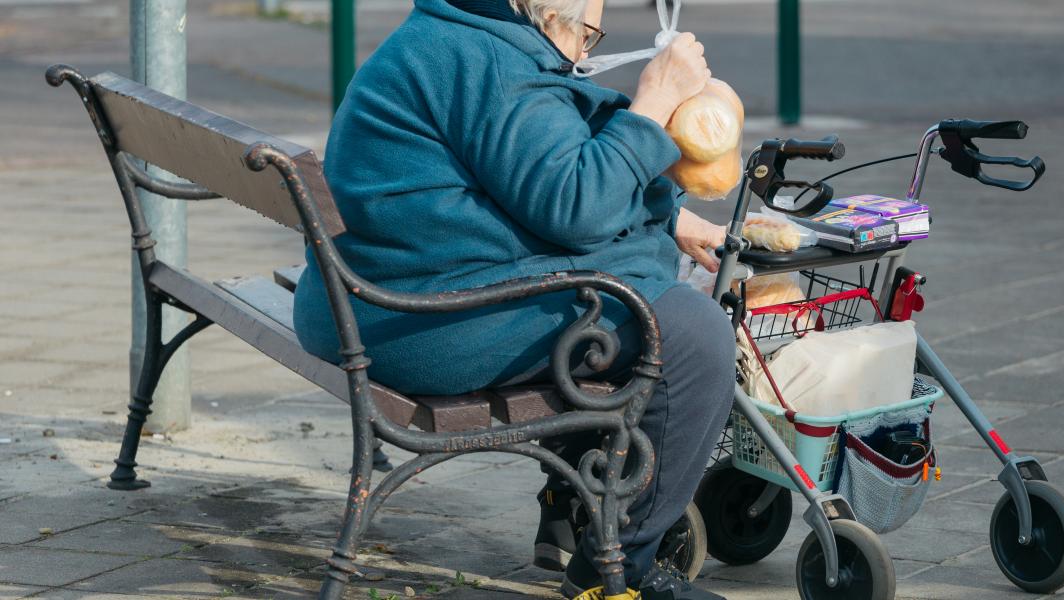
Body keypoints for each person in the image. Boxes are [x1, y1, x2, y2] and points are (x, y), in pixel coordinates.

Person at [292, 0, 736, 597]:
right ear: (549, 11)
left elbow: (525, 171)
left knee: (620, 294)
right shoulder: (492, 63)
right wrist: (654, 102)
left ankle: (571, 505)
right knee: (690, 334)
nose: (582, 54)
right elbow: (577, 207)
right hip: (414, 322)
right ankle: (616, 572)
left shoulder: (455, 33)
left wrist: (668, 218)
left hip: (371, 299)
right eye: (587, 33)